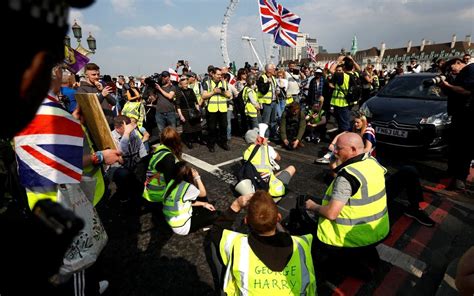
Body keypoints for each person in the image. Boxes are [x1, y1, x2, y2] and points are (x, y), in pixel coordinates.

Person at [306, 132, 389, 280]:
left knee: (317, 246)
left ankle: (348, 266)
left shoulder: (347, 177)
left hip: (351, 238)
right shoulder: (372, 162)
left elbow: (331, 213)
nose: (335, 151)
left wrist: (313, 206)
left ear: (352, 149)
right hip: (379, 231)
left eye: (338, 148)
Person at [209, 190, 317, 295]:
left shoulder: (237, 244)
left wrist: (236, 204)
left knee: (215, 246)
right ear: (278, 217)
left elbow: (216, 231)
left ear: (246, 221)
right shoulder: (302, 244)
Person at [440, 58, 474, 190]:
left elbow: (467, 91)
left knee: (464, 148)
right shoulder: (460, 75)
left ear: (458, 63)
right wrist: (444, 86)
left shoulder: (470, 70)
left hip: (468, 116)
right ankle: (453, 173)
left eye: (451, 67)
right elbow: (451, 93)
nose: (451, 71)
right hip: (458, 115)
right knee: (455, 146)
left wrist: (448, 85)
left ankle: (460, 177)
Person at [162, 162, 218, 235]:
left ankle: (203, 212)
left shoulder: (171, 183)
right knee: (217, 214)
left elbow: (182, 203)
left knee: (202, 201)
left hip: (173, 222)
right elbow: (203, 194)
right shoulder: (186, 187)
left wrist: (204, 204)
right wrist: (197, 177)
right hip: (184, 227)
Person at [243, 126, 296, 201]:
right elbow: (278, 158)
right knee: (292, 168)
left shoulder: (245, 153)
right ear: (258, 138)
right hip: (272, 191)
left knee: (267, 172)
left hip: (257, 184)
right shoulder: (266, 148)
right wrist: (267, 145)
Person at [110, 115, 147, 202]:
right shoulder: (112, 137)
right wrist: (126, 134)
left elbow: (141, 146)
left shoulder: (132, 132)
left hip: (134, 163)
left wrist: (144, 160)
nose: (130, 129)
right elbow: (122, 152)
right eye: (127, 127)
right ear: (117, 128)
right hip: (120, 166)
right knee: (124, 174)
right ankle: (123, 196)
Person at [142, 127, 182, 203]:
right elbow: (170, 181)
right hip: (159, 195)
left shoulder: (159, 150)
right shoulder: (168, 157)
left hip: (149, 191)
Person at [76, 63, 117, 129]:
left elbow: (114, 102)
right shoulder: (82, 89)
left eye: (98, 74)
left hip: (110, 123)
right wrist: (102, 95)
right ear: (86, 75)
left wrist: (102, 90)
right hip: (97, 126)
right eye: (93, 75)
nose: (97, 77)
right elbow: (89, 107)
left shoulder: (101, 86)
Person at [329, 55, 361, 133]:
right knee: (345, 122)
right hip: (349, 101)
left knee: (344, 125)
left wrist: (338, 60)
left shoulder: (343, 76)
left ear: (344, 67)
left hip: (341, 104)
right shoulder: (355, 75)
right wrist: (352, 60)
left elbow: (331, 70)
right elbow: (359, 69)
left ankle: (345, 140)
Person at [202, 67, 231, 152]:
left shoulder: (224, 83)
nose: (219, 76)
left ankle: (224, 143)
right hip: (212, 109)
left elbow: (229, 95)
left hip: (222, 109)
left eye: (221, 74)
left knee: (224, 127)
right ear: (213, 74)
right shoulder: (207, 83)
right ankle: (211, 145)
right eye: (218, 74)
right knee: (212, 128)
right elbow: (203, 96)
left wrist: (222, 92)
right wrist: (213, 92)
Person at [175, 77, 204, 149]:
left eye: (187, 84)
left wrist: (198, 112)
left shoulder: (191, 90)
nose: (186, 85)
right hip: (184, 111)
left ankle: (200, 139)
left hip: (193, 110)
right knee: (187, 128)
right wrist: (181, 115)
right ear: (181, 85)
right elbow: (177, 105)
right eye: (184, 84)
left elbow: (196, 102)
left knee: (198, 126)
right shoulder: (179, 92)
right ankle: (189, 142)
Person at [257, 63, 279, 139]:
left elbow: (274, 88)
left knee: (273, 120)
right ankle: (265, 136)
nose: (275, 70)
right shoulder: (262, 78)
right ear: (269, 70)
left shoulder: (273, 78)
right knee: (265, 121)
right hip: (267, 103)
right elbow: (262, 90)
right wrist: (267, 83)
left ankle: (273, 135)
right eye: (274, 69)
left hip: (274, 101)